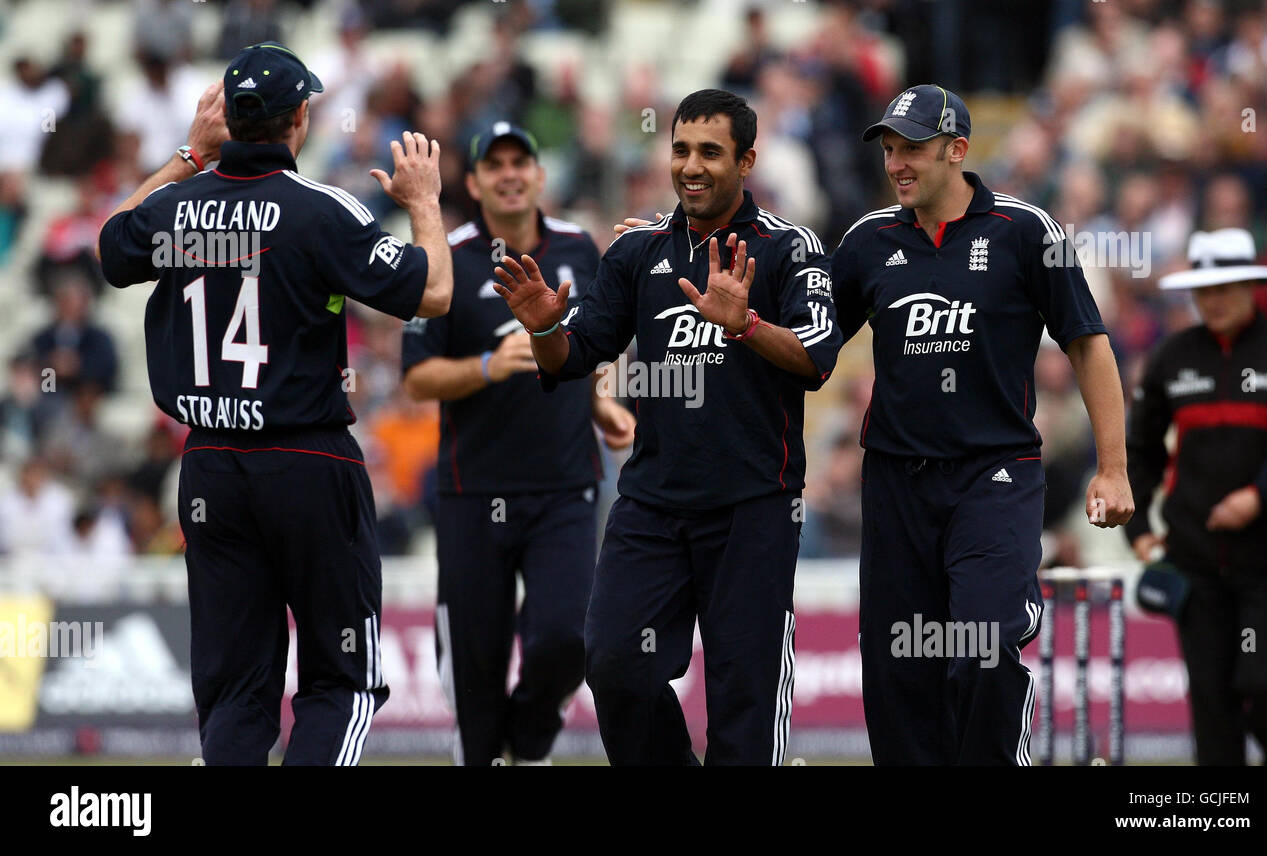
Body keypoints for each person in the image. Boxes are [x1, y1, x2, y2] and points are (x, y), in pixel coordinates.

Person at [97, 41, 453, 765]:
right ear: (299, 120)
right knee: (343, 679)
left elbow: (110, 246)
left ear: (227, 120)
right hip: (305, 459)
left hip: (210, 470)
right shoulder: (318, 210)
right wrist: (424, 202)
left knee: (235, 690)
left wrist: (185, 158)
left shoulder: (178, 205)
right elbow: (433, 293)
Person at [493, 89, 842, 765]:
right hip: (652, 506)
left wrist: (743, 323)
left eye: (710, 152)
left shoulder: (789, 248)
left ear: (747, 160)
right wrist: (541, 327)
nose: (690, 165)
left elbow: (817, 359)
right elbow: (572, 358)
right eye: (680, 149)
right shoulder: (636, 254)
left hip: (754, 508)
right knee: (617, 665)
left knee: (745, 706)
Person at [832, 84, 1134, 765]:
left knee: (982, 646)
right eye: (888, 149)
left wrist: (1113, 468)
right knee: (898, 675)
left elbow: (1089, 343)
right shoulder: (866, 242)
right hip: (894, 485)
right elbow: (810, 346)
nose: (896, 163)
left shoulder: (1027, 232)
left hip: (993, 476)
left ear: (957, 151)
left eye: (912, 148)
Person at [402, 122, 635, 765]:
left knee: (568, 636)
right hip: (471, 491)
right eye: (493, 164)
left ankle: (528, 742)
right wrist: (487, 366)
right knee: (474, 665)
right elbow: (416, 378)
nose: (509, 173)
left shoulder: (579, 249)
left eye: (520, 162)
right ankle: (484, 751)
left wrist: (603, 401)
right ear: (473, 182)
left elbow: (593, 347)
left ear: (538, 175)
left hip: (565, 486)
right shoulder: (444, 254)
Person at [1128, 227, 1267, 765]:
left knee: (1266, 689)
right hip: (1195, 566)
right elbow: (1139, 452)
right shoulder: (1171, 359)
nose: (1215, 300)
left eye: (1226, 287)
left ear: (1251, 285)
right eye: (1205, 290)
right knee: (1212, 705)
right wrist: (1139, 533)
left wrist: (1261, 498)